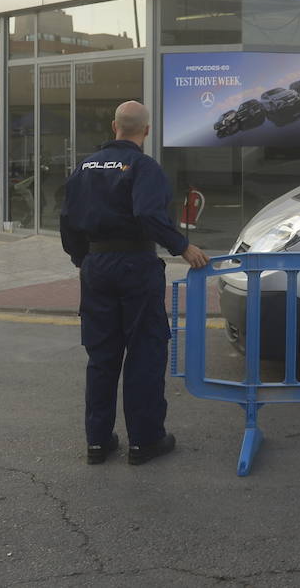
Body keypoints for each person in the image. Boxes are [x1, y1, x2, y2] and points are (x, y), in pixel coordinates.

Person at [60, 101, 208, 466]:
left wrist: (86, 259)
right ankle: (145, 440)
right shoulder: (144, 167)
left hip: (96, 267)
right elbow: (146, 214)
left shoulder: (84, 167)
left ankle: (98, 442)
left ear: (114, 126)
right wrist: (182, 246)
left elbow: (67, 220)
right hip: (135, 266)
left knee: (102, 355)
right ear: (146, 130)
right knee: (144, 352)